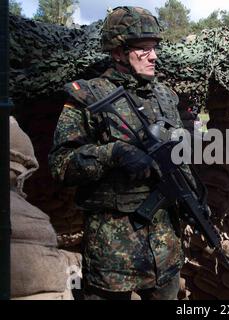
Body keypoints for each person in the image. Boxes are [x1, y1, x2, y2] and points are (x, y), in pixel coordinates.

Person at [48, 6, 184, 300]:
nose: (154, 56)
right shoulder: (88, 95)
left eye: (155, 48)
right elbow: (61, 165)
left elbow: (179, 156)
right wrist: (114, 153)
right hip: (112, 256)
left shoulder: (166, 97)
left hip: (165, 253)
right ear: (118, 52)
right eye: (143, 49)